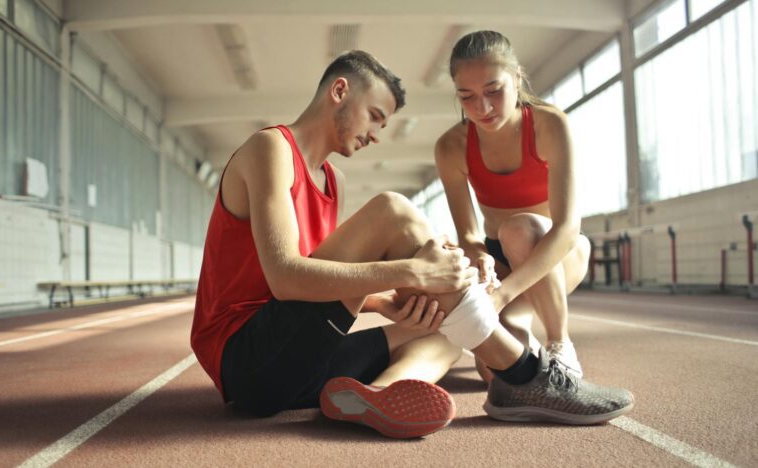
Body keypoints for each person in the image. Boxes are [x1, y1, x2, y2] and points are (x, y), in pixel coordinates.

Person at [191, 50, 633, 440]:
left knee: (444, 326)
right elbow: (286, 279)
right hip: (248, 362)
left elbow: (317, 287)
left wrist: (386, 302)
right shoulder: (271, 149)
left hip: (294, 366)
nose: (377, 135)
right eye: (375, 116)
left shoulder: (334, 181)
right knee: (392, 210)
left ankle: (379, 394)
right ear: (340, 91)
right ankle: (523, 373)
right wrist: (411, 273)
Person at [435, 30, 591, 382]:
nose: (482, 108)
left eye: (493, 91)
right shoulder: (451, 147)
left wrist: (503, 295)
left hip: (558, 252)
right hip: (501, 261)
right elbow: (470, 234)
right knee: (495, 374)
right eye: (467, 96)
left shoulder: (550, 125)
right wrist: (480, 258)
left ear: (517, 79)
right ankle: (522, 327)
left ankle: (559, 342)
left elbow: (567, 229)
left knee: (519, 229)